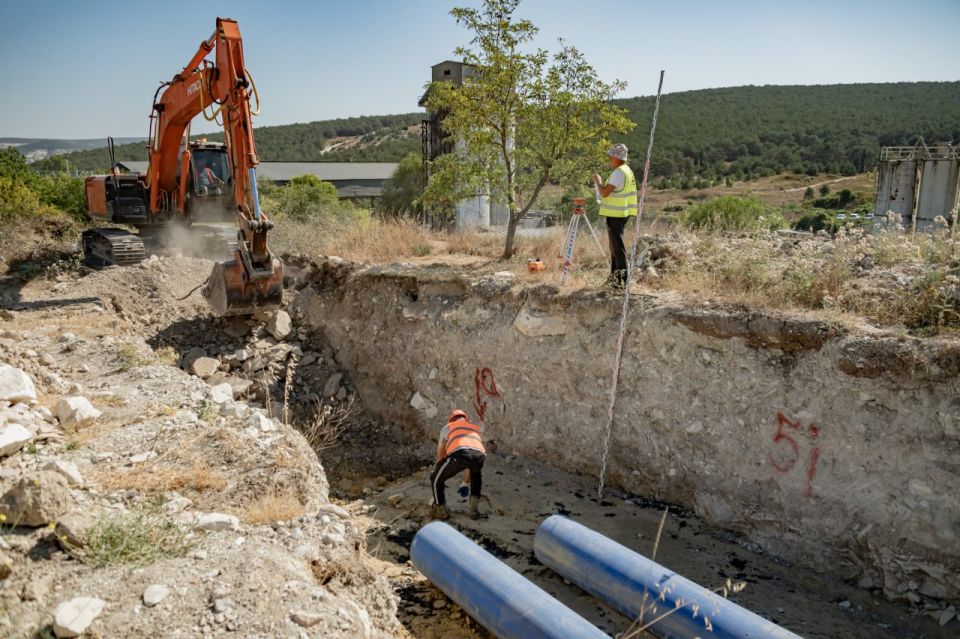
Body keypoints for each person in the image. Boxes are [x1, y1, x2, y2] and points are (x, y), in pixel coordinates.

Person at [593, 143, 638, 288]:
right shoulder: (627, 170)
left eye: (611, 156)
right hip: (621, 213)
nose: (609, 158)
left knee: (618, 248)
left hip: (615, 214)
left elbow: (605, 192)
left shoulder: (619, 172)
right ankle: (614, 280)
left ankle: (623, 281)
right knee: (615, 247)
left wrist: (598, 181)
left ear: (616, 157)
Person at [430, 409, 486, 520]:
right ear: (465, 419)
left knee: (435, 479)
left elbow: (440, 450)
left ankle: (440, 510)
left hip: (460, 455)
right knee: (476, 476)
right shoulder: (474, 428)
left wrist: (438, 469)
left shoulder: (448, 427)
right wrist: (465, 482)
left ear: (451, 419)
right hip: (480, 455)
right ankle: (473, 511)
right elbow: (470, 457)